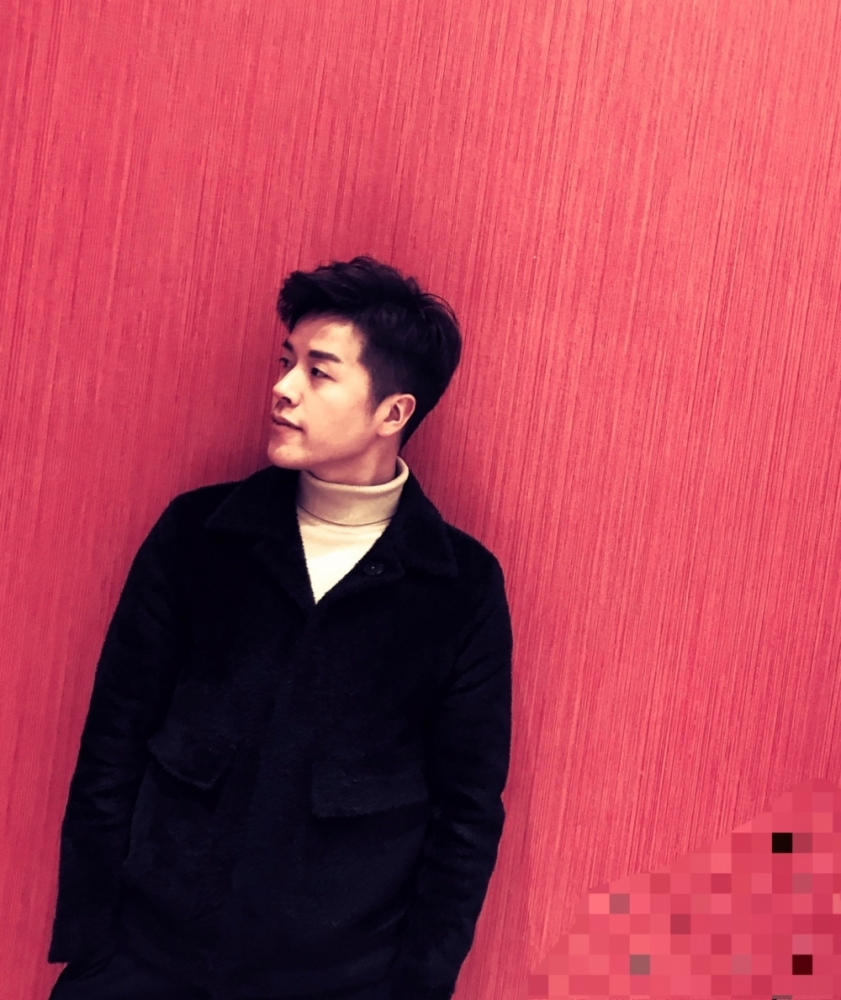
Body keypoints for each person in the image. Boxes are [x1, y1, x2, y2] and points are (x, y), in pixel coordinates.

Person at [47, 257, 513, 1000]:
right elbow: (113, 739)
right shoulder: (199, 534)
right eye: (286, 362)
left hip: (338, 979)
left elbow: (466, 815)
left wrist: (418, 987)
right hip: (148, 959)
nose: (284, 388)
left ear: (393, 412)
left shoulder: (460, 587)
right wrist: (92, 943)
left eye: (318, 372)